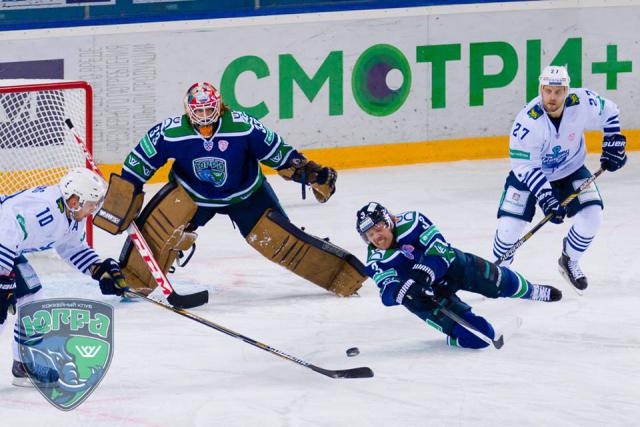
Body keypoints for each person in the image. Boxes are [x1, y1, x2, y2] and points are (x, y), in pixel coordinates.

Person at [94, 82, 365, 298]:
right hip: (193, 195)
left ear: (219, 106)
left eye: (208, 109)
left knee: (284, 242)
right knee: (158, 233)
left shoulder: (243, 126)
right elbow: (139, 161)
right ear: (188, 110)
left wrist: (311, 173)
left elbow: (279, 154)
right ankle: (132, 279)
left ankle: (344, 276)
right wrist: (123, 195)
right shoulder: (171, 132)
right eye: (197, 111)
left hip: (247, 195)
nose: (203, 116)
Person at [492, 65, 627, 292]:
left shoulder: (582, 101)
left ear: (566, 91)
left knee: (592, 216)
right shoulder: (527, 122)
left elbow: (610, 111)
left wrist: (613, 141)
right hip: (528, 176)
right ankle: (498, 274)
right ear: (540, 89)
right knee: (509, 229)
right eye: (547, 91)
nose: (552, 97)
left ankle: (569, 260)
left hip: (570, 169)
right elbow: (525, 165)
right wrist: (546, 197)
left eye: (557, 91)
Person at [356, 202, 561, 349]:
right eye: (370, 235)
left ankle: (533, 291)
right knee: (479, 338)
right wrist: (407, 292)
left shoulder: (413, 221)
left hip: (451, 267)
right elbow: (387, 293)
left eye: (378, 228)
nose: (376, 237)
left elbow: (440, 250)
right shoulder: (376, 259)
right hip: (430, 297)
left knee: (500, 281)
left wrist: (421, 277)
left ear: (389, 221)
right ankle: (453, 335)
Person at [0, 167, 127, 386]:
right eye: (91, 204)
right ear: (75, 199)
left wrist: (99, 270)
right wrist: (4, 281)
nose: (94, 209)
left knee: (32, 296)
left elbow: (72, 248)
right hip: (3, 244)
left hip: (7, 248)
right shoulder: (45, 211)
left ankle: (25, 363)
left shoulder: (71, 215)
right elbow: (6, 228)